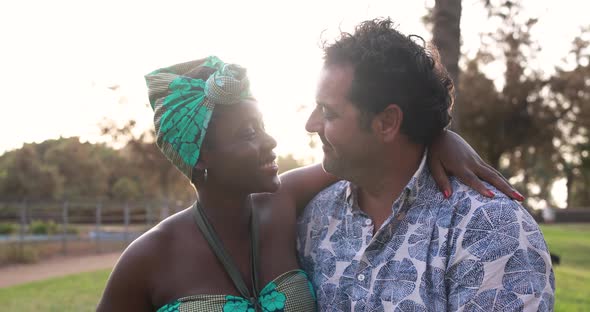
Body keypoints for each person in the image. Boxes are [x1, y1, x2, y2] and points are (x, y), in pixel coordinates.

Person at [97, 56, 522, 312]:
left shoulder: (282, 206)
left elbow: (378, 151)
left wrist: (436, 136)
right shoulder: (150, 258)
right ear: (201, 156)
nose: (270, 140)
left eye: (261, 125)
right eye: (247, 134)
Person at [297, 18, 554, 311]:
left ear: (387, 122)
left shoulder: (490, 229)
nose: (311, 124)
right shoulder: (316, 217)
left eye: (328, 112)